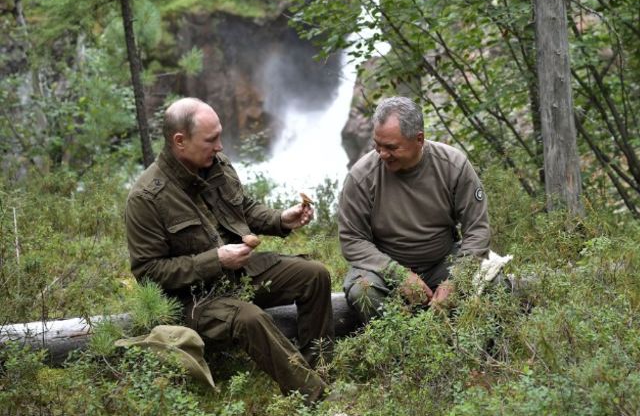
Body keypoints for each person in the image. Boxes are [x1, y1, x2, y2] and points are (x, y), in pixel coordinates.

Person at [125, 97, 331, 402]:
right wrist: (216, 260)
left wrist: (280, 220)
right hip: (194, 299)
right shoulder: (145, 198)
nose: (220, 146)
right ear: (179, 142)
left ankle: (319, 369)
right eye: (211, 140)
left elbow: (242, 208)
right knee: (250, 318)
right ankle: (314, 397)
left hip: (239, 274)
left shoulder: (215, 164)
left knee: (315, 275)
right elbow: (148, 273)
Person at [338, 96, 491, 324]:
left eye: (391, 147)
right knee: (363, 292)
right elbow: (352, 239)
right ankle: (404, 347)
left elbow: (478, 230)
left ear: (419, 139)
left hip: (443, 263)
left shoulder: (453, 166)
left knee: (493, 283)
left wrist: (456, 280)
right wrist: (398, 275)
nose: (382, 154)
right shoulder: (361, 177)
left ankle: (465, 345)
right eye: (377, 145)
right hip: (384, 270)